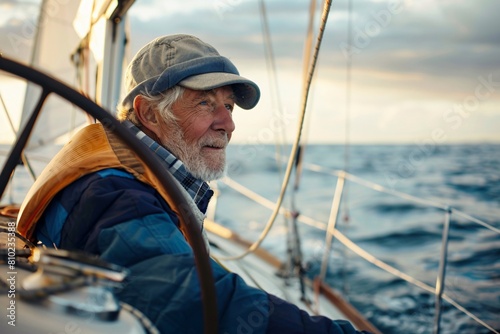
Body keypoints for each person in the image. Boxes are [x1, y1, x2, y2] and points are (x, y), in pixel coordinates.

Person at [17, 34, 370, 333]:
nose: (228, 124)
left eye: (229, 106)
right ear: (149, 113)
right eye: (205, 103)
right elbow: (188, 298)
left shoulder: (122, 174)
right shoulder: (115, 193)